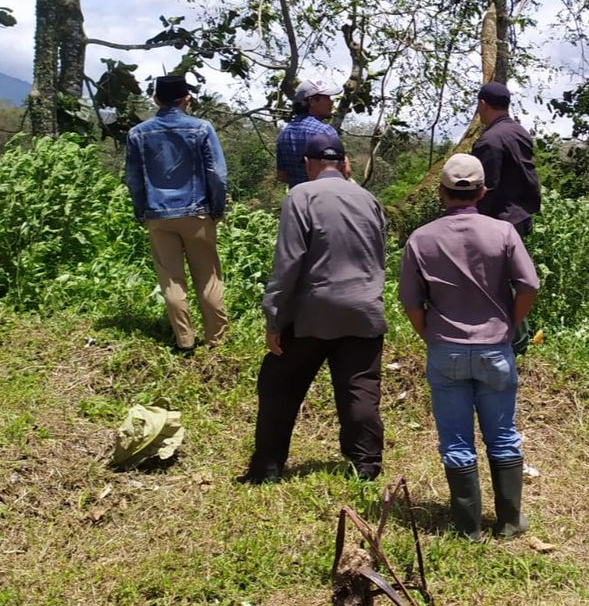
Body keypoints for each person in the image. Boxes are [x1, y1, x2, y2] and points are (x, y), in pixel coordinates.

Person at [399, 154, 540, 540]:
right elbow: (528, 286)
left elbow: (412, 303)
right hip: (495, 346)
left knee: (456, 441)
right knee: (503, 435)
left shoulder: (421, 239)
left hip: (446, 349)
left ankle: (468, 528)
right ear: (481, 191)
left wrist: (428, 333)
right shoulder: (504, 233)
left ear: (441, 192)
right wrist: (509, 324)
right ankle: (509, 522)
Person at [242, 132, 387, 484]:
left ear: (308, 164)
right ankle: (365, 467)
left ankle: (268, 468)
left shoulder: (301, 196)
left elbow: (289, 262)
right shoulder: (370, 200)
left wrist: (274, 316)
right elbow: (380, 255)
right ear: (344, 163)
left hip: (312, 312)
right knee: (359, 388)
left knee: (279, 386)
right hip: (364, 309)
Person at [124, 74, 229, 351]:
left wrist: (141, 212)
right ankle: (217, 340)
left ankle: (185, 341)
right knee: (207, 276)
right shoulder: (202, 129)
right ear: (187, 99)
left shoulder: (138, 133)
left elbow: (133, 180)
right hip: (197, 212)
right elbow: (217, 175)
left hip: (158, 215)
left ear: (156, 99)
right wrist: (217, 209)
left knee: (171, 278)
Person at [472, 80, 542, 354]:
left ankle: (516, 340)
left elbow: (486, 188)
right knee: (514, 277)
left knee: (500, 280)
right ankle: (516, 337)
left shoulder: (489, 140)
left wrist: (473, 221)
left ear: (483, 105)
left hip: (499, 219)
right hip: (520, 215)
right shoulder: (519, 132)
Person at [276, 79, 339, 188]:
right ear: (312, 102)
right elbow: (339, 172)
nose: (331, 102)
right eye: (327, 98)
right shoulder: (325, 131)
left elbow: (282, 175)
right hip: (322, 197)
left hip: (297, 199)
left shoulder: (284, 134)